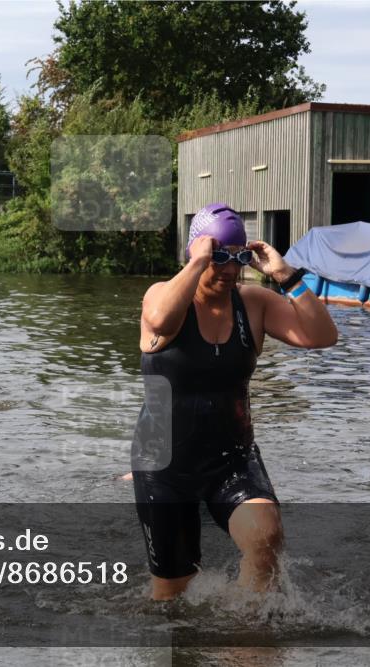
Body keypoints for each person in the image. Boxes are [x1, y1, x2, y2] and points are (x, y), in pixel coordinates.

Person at [131, 202, 338, 601]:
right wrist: (196, 264)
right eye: (219, 256)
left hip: (231, 459)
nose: (230, 268)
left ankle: (246, 640)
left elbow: (322, 335)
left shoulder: (254, 303)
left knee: (266, 536)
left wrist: (284, 275)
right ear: (198, 253)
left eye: (239, 257)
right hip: (165, 466)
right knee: (172, 595)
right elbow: (158, 321)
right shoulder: (164, 297)